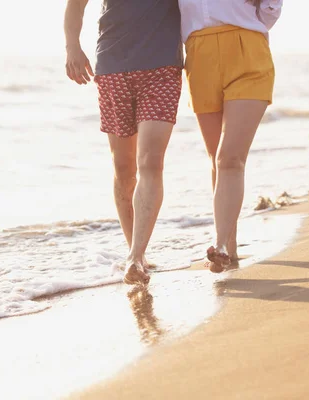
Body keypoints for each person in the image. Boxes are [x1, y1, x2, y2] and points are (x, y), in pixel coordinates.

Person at [63, 0, 184, 284]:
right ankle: (137, 253)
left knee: (151, 162)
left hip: (162, 69)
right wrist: (72, 47)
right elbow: (76, 4)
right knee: (124, 168)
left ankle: (135, 256)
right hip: (113, 66)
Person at [179, 0, 283, 272]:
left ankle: (221, 244)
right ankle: (230, 248)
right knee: (217, 159)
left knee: (230, 158)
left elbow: (271, 10)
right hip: (198, 55)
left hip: (247, 50)